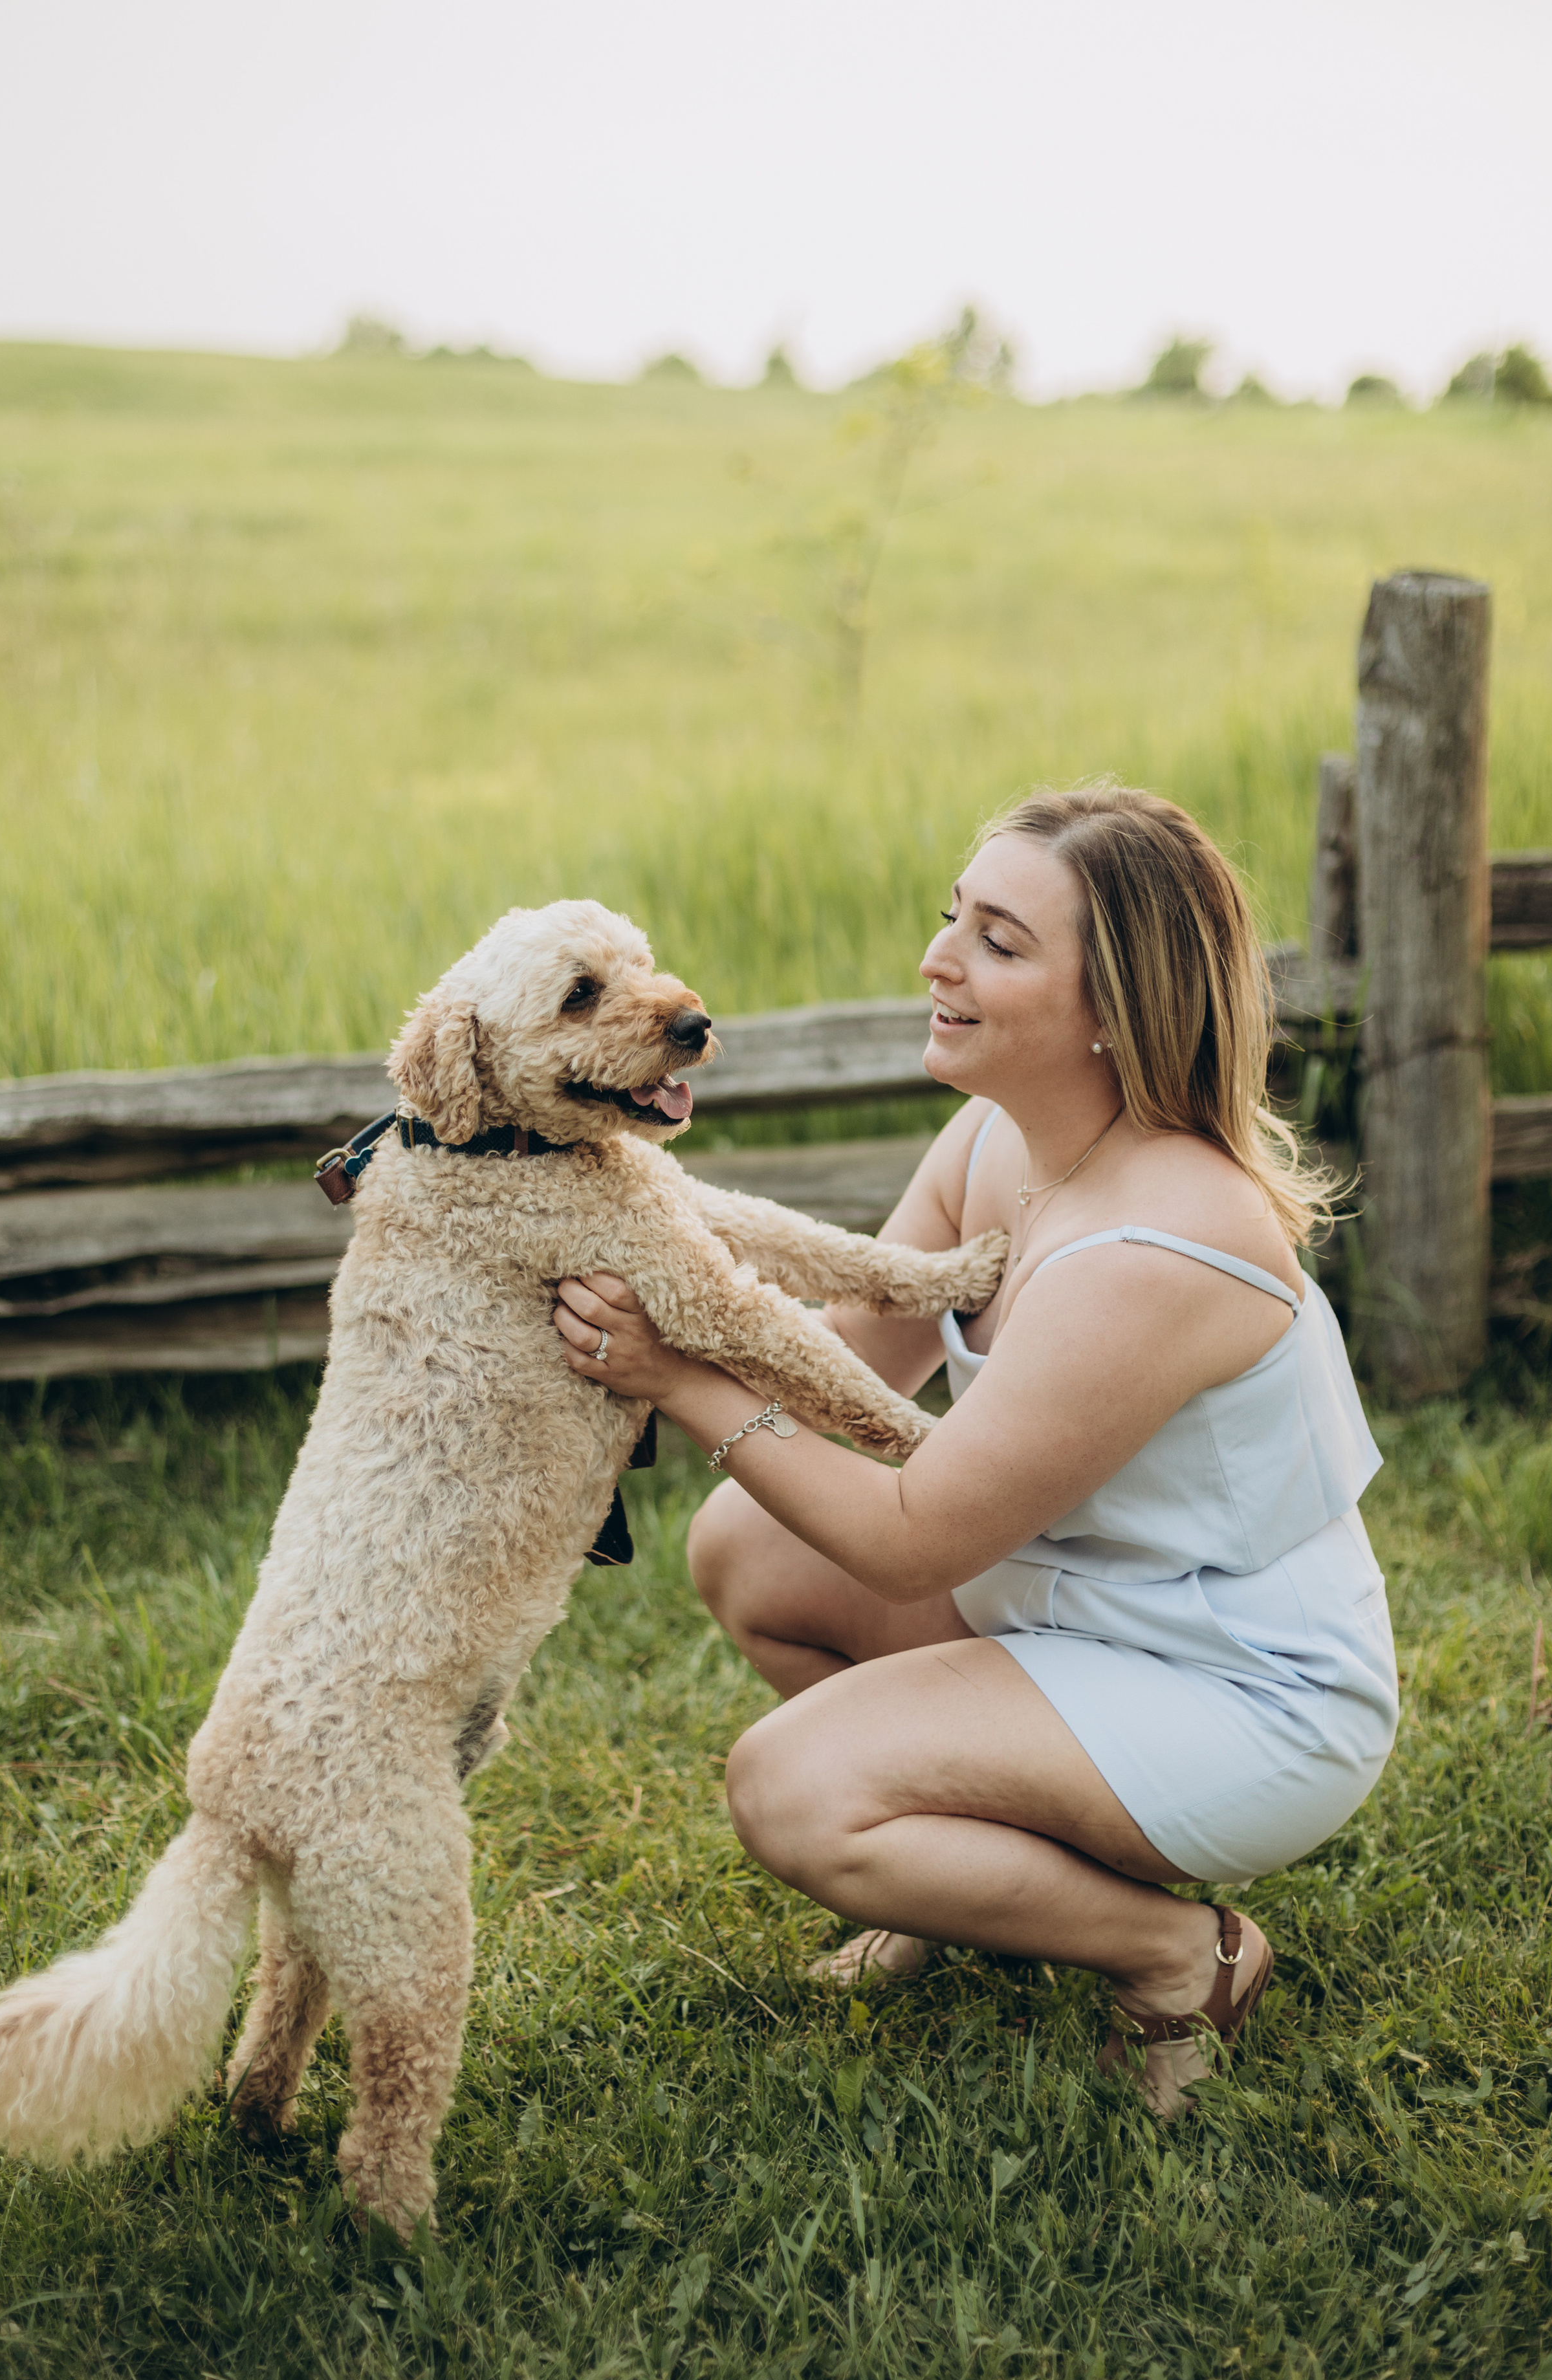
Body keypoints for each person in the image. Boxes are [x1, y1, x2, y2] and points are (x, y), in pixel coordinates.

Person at [552, 787, 1397, 2114]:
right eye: (954, 919)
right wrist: (631, 1246)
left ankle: (1180, 1953)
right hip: (1071, 1610)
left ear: (1113, 1004)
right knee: (746, 1546)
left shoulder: (1164, 1246)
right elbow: (836, 1369)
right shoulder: (1002, 1134)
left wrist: (678, 1383)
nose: (938, 960)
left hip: (1237, 1692)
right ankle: (972, 1890)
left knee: (793, 1793)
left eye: (999, 942)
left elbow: (911, 1540)